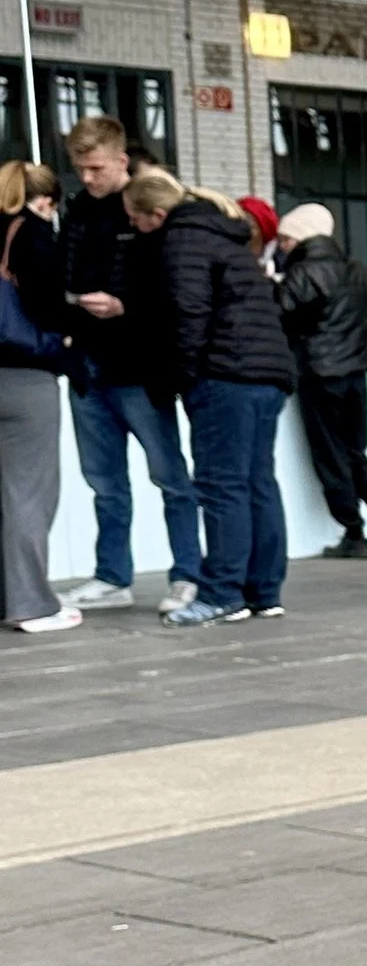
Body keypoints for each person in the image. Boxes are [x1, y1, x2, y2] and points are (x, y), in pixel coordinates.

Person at [133, 177, 298, 627]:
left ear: (158, 215)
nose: (134, 227)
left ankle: (223, 592)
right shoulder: (227, 237)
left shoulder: (183, 240)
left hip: (225, 375)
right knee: (258, 483)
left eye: (136, 218)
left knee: (222, 485)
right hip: (268, 374)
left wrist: (180, 377)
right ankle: (263, 592)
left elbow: (190, 312)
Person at [56, 112, 201, 613]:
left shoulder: (149, 209)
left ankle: (187, 574)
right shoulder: (76, 211)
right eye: (80, 168)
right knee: (104, 481)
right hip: (87, 363)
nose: (87, 178)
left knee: (169, 476)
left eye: (95, 168)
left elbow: (175, 288)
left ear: (121, 161)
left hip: (139, 367)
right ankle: (113, 576)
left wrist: (125, 308)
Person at [275, 204, 367, 559]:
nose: (281, 245)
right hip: (356, 375)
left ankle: (354, 532)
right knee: (354, 450)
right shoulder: (359, 272)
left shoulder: (301, 275)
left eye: (286, 238)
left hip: (318, 375)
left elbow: (279, 312)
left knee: (330, 456)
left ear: (301, 238)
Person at [0, 161, 80, 634]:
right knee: (28, 492)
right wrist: (65, 340)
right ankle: (31, 603)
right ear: (47, 199)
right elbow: (47, 304)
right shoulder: (32, 233)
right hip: (24, 376)